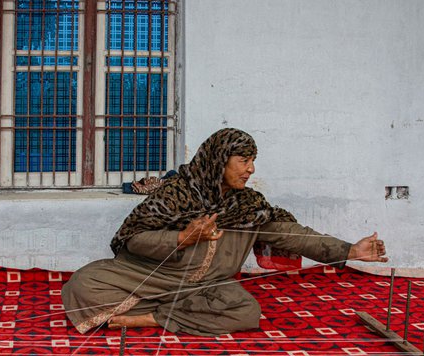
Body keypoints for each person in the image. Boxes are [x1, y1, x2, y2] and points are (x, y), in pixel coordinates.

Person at [62, 128, 387, 336]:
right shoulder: (175, 193)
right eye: (244, 160)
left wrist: (348, 250)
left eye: (253, 160)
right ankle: (161, 313)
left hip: (204, 286)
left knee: (246, 311)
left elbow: (291, 234)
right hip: (148, 275)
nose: (251, 169)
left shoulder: (250, 205)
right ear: (219, 161)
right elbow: (133, 239)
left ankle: (149, 319)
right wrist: (183, 238)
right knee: (82, 284)